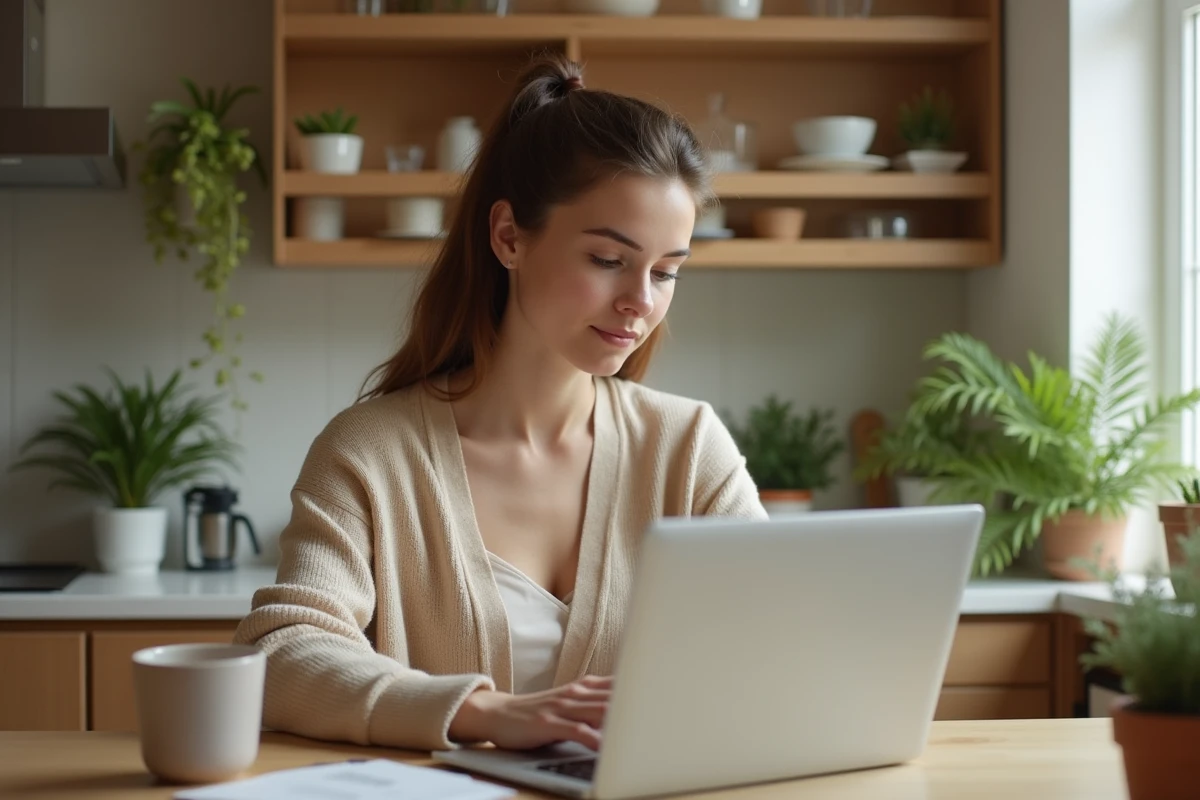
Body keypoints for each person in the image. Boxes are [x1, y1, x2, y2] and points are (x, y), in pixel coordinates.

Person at [232, 52, 767, 756]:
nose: (643, 301)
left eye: (666, 271)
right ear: (509, 236)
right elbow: (282, 652)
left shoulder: (688, 448)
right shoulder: (371, 452)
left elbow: (776, 640)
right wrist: (485, 713)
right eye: (609, 260)